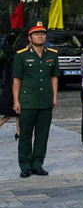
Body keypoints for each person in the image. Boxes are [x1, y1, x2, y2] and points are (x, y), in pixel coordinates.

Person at [12, 21, 59, 177]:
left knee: (42, 134)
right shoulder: (21, 55)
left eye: (42, 33)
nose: (40, 36)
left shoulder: (52, 54)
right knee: (25, 134)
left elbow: (54, 77)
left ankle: (38, 164)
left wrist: (54, 97)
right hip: (27, 100)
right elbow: (16, 80)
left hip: (45, 100)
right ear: (30, 37)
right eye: (36, 34)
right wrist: (16, 101)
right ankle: (25, 165)